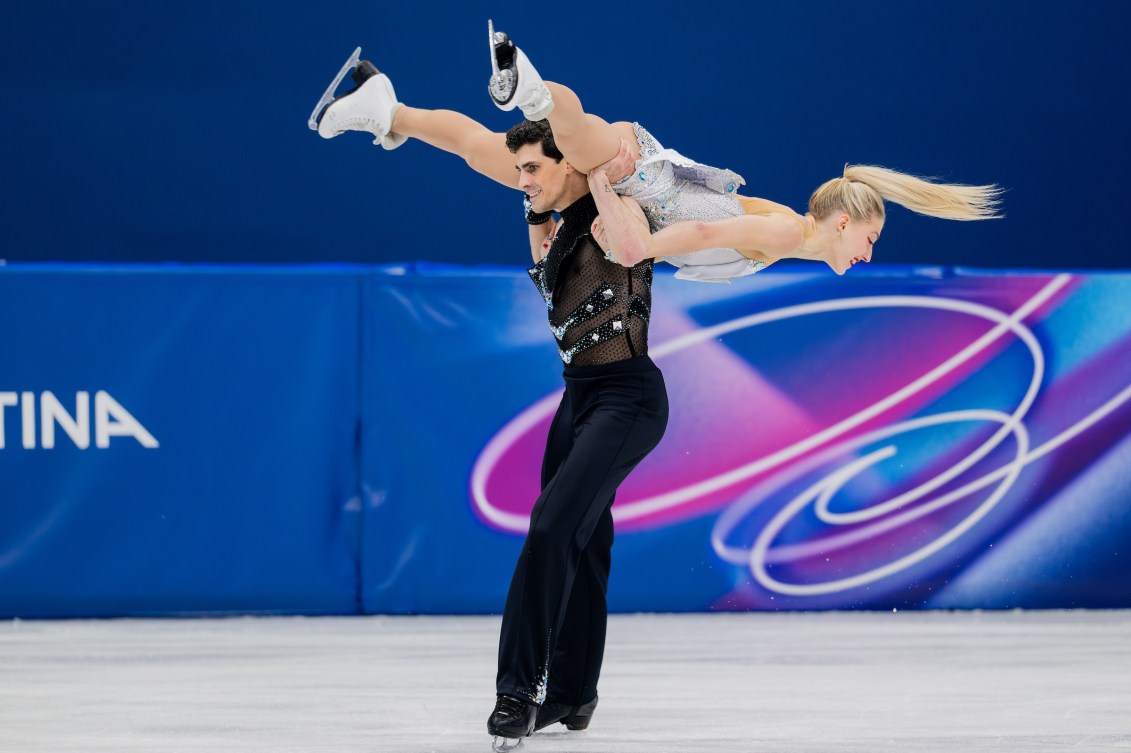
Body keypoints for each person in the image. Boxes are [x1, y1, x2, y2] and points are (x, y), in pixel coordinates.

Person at [314, 62, 666, 751]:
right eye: (523, 171)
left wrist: (549, 107)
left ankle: (515, 692)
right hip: (581, 397)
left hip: (629, 394)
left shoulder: (610, 200)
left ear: (569, 163)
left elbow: (590, 136)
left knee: (551, 524)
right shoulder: (549, 207)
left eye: (535, 168)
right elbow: (473, 141)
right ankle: (572, 694)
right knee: (586, 540)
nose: (524, 179)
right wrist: (400, 118)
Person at [485, 25, 1002, 279]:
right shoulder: (784, 232)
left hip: (642, 199)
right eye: (870, 238)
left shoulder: (788, 233)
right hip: (644, 179)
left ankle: (402, 120)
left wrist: (641, 241)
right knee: (574, 137)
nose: (869, 253)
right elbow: (706, 232)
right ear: (842, 224)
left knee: (495, 158)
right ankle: (528, 87)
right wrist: (644, 250)